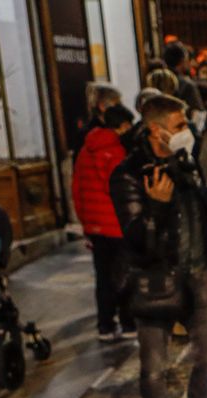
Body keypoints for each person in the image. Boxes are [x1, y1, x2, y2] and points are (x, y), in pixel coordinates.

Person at [112, 93, 207, 398]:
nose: (187, 132)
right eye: (180, 126)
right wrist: (156, 207)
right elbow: (137, 241)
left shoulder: (188, 162)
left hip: (196, 274)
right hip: (155, 280)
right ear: (156, 130)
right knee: (153, 368)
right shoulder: (129, 174)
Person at [73, 103, 135, 343]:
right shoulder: (119, 152)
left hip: (96, 226)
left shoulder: (85, 150)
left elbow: (76, 189)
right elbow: (121, 190)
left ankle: (105, 325)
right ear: (121, 126)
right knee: (124, 275)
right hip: (117, 225)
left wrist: (85, 222)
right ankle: (128, 323)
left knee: (103, 277)